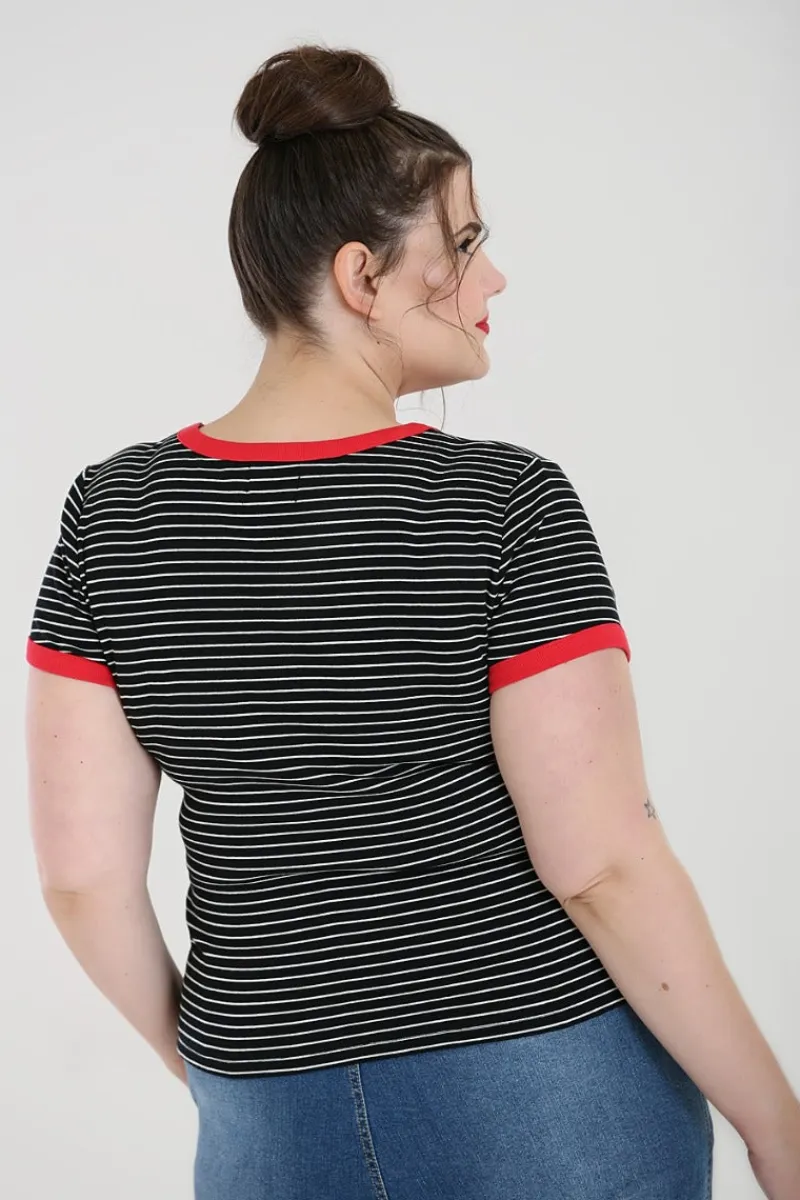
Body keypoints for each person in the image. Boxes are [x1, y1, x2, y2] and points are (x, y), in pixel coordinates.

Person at [24, 43, 800, 1200]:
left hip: (265, 1110)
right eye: (467, 243)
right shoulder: (503, 503)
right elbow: (602, 862)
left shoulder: (112, 515)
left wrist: (222, 1076)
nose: (494, 280)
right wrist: (773, 1124)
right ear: (362, 277)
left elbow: (83, 880)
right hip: (543, 1090)